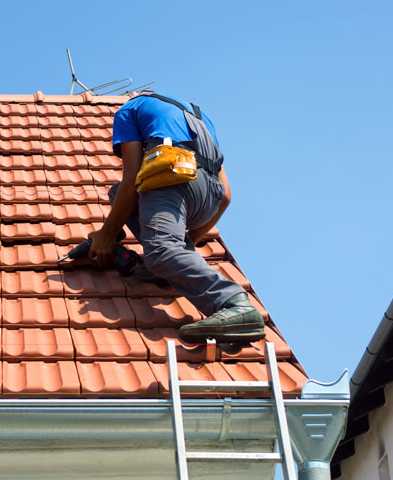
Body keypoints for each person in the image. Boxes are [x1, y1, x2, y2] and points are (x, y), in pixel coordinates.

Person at [88, 92, 265, 343]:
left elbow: (131, 181)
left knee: (159, 250)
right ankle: (172, 263)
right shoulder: (200, 117)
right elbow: (226, 196)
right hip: (208, 199)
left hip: (173, 178)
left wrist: (106, 235)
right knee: (117, 194)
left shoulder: (128, 110)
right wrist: (189, 241)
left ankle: (233, 303)